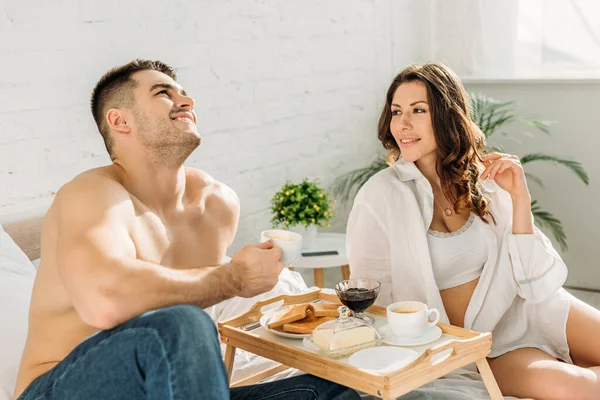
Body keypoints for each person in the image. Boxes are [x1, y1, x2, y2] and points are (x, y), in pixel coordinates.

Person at [13, 59, 360, 400]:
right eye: (163, 93)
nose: (187, 101)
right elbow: (103, 303)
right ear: (120, 120)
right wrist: (233, 278)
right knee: (183, 324)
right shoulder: (91, 195)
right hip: (62, 386)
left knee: (329, 391)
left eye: (184, 93)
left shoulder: (216, 204)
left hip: (165, 387)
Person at [346, 62, 600, 400]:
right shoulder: (379, 195)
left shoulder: (483, 178)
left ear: (445, 115)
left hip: (532, 308)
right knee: (582, 388)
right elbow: (373, 300)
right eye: (396, 112)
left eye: (418, 110)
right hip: (486, 346)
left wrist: (520, 199)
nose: (402, 124)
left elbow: (536, 279)